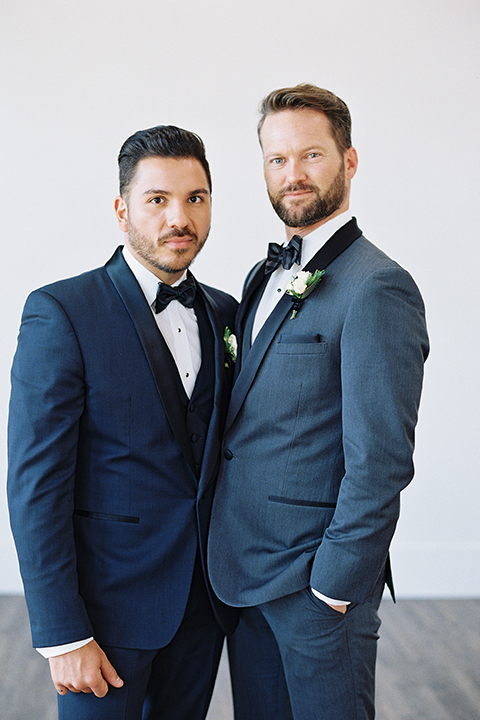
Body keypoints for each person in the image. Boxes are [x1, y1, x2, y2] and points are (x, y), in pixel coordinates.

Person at [208, 84, 429, 720]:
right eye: (277, 160)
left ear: (349, 161)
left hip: (316, 587)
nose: (293, 174)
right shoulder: (260, 276)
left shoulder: (378, 287)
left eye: (311, 155)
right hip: (243, 576)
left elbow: (382, 457)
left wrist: (334, 585)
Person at [7, 124, 238, 720]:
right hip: (103, 619)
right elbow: (36, 484)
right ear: (121, 209)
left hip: (202, 607)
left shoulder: (223, 312)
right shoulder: (61, 311)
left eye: (195, 198)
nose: (178, 218)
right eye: (157, 200)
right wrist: (63, 633)